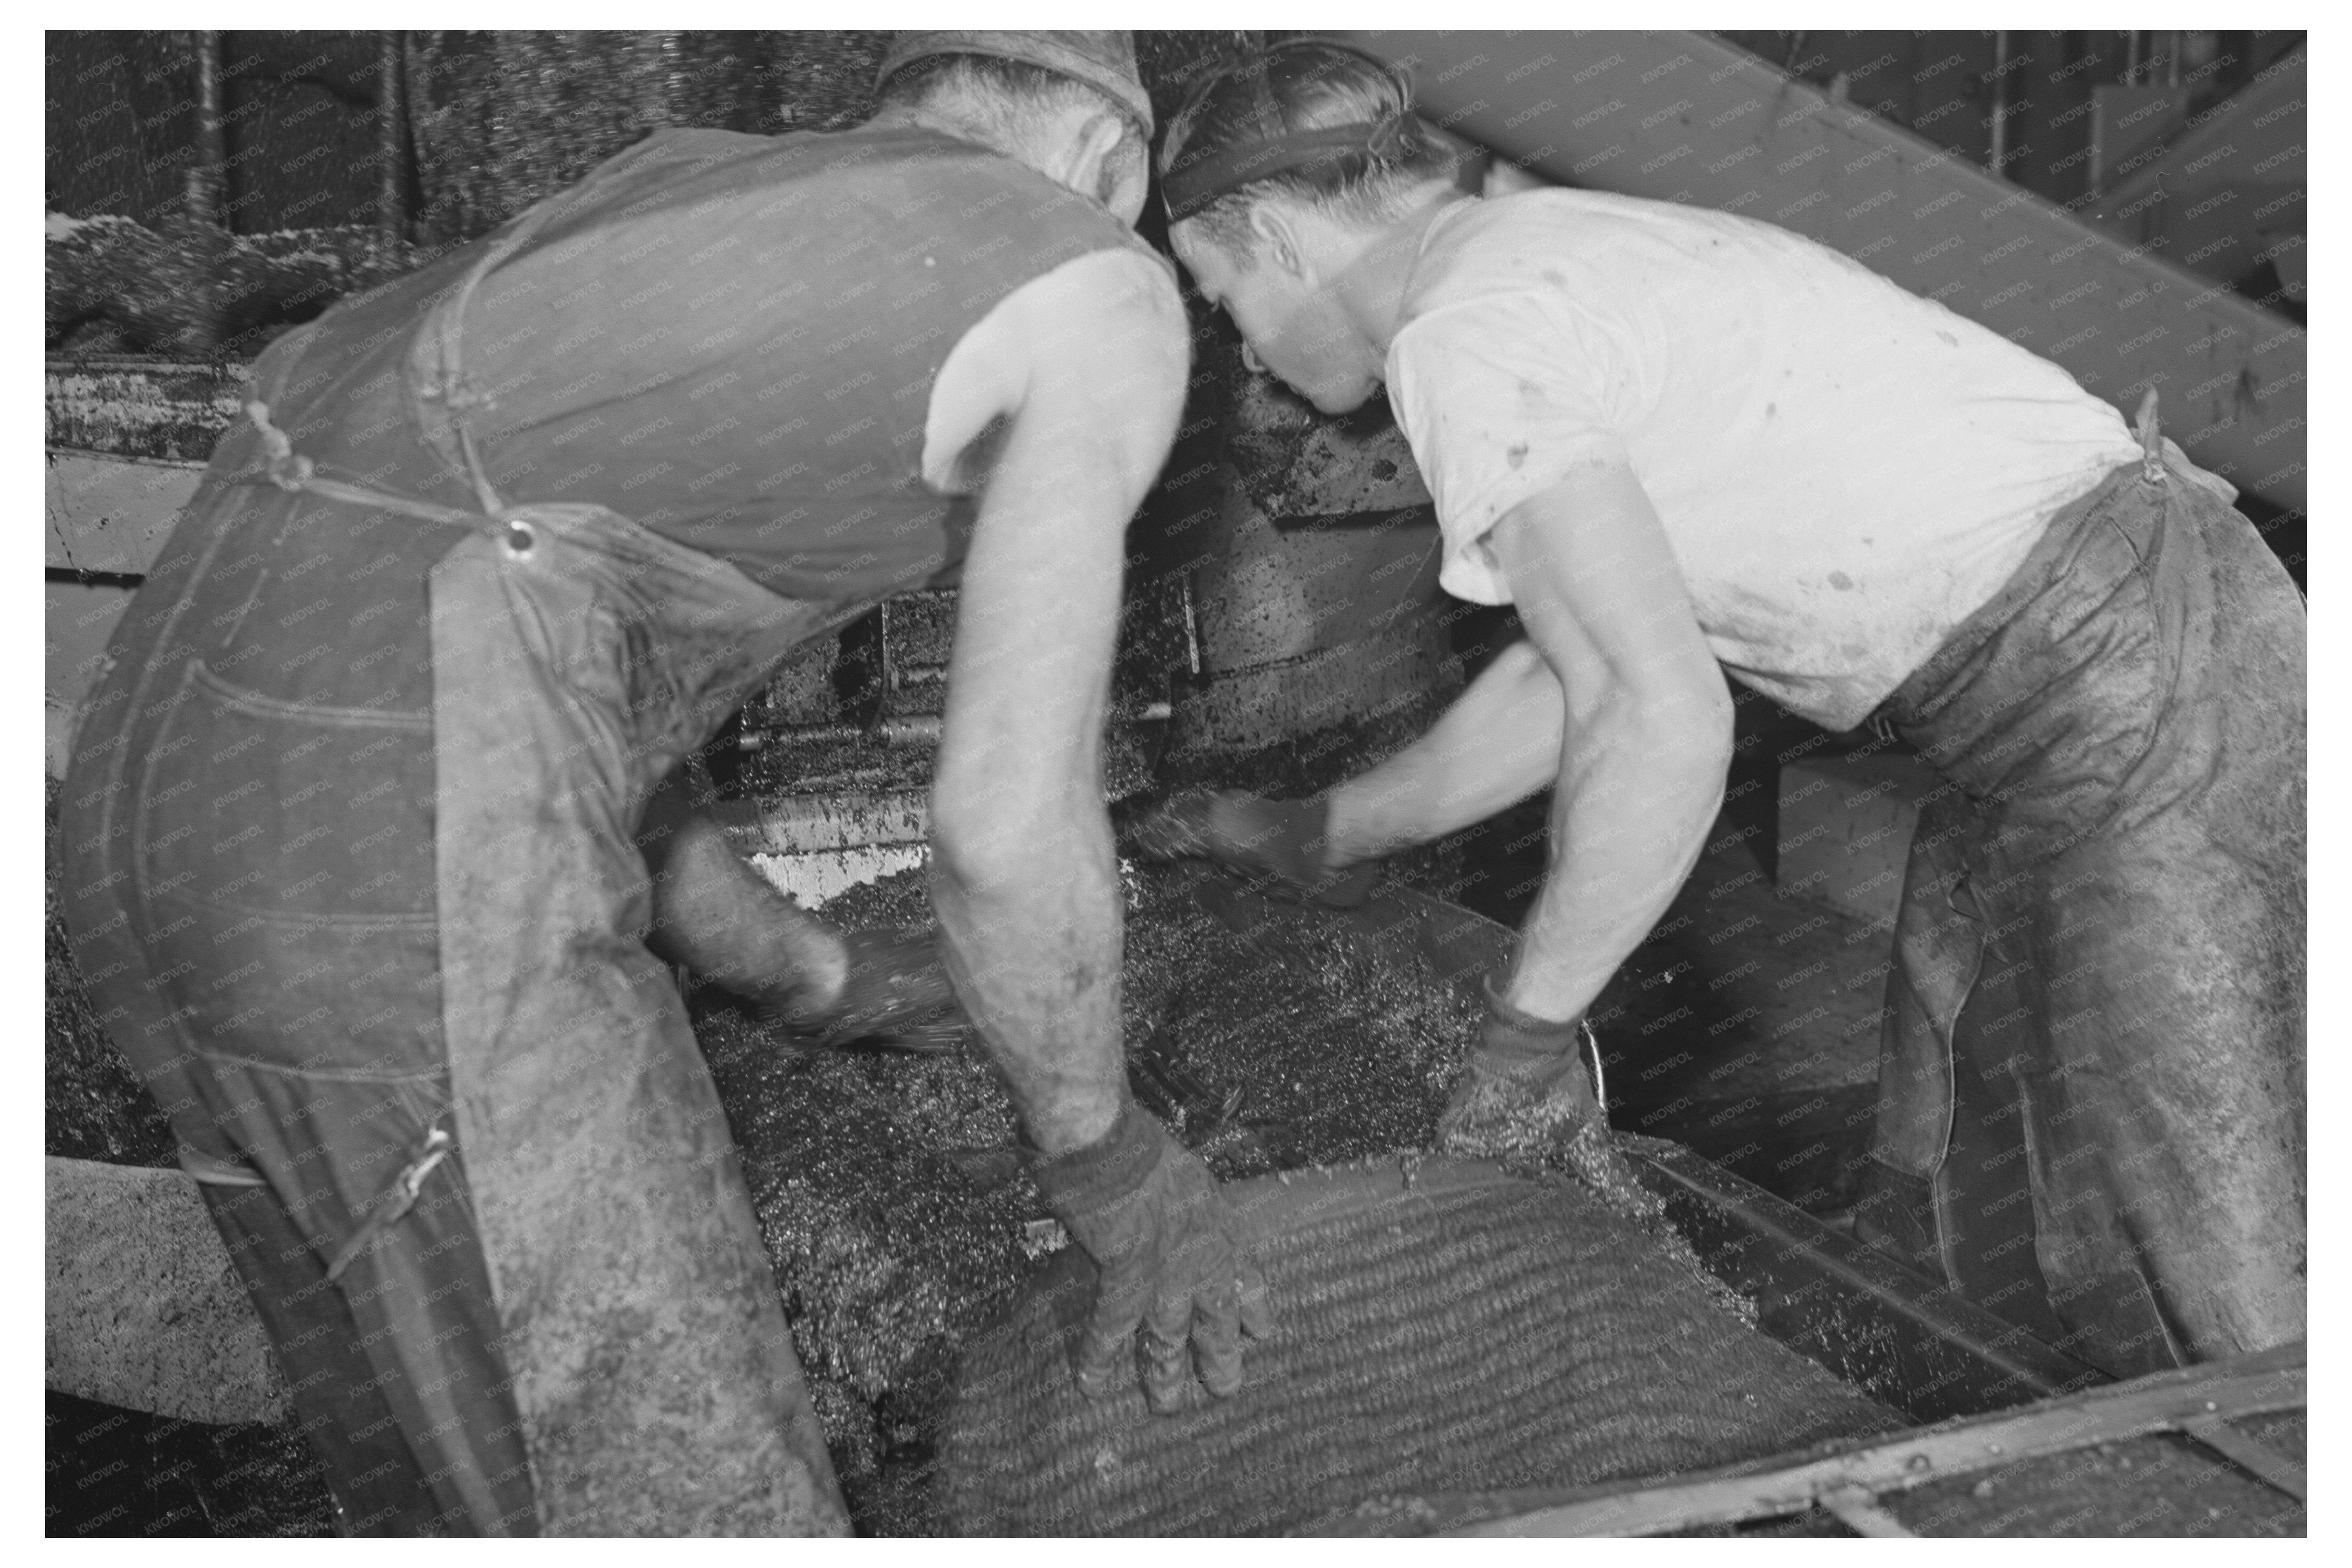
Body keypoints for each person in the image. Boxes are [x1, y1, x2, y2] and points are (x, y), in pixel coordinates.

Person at [63, 30, 1266, 1537]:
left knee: (451, 1461)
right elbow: (1006, 829)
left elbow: (549, 669)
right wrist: (1112, 1165)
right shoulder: (1093, 280)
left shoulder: (668, 192)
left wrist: (815, 975)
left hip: (156, 856)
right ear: (1117, 162)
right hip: (398, 890)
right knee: (668, 1492)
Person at [1136, 38, 2303, 1380]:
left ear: (1274, 233)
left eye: (1221, 298)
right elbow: (1590, 660)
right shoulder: (1539, 252)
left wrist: (1525, 1038)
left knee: (2218, 1256)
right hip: (2074, 700)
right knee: (1971, 1177)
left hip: (2139, 713)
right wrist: (1333, 830)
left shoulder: (1467, 338)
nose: (1248, 350)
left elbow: (1658, 715)